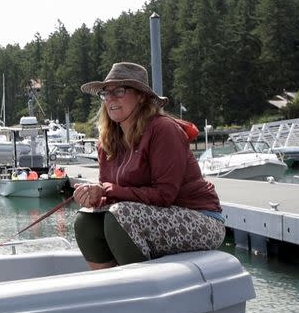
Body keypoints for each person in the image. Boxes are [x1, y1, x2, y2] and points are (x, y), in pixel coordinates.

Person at [72, 62, 225, 269]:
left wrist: (108, 190)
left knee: (120, 216)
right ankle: (110, 291)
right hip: (150, 218)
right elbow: (110, 196)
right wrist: (93, 196)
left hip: (201, 218)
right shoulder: (107, 142)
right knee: (86, 221)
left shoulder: (163, 130)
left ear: (141, 96)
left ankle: (141, 292)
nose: (110, 99)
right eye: (105, 93)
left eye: (119, 90)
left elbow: (164, 195)